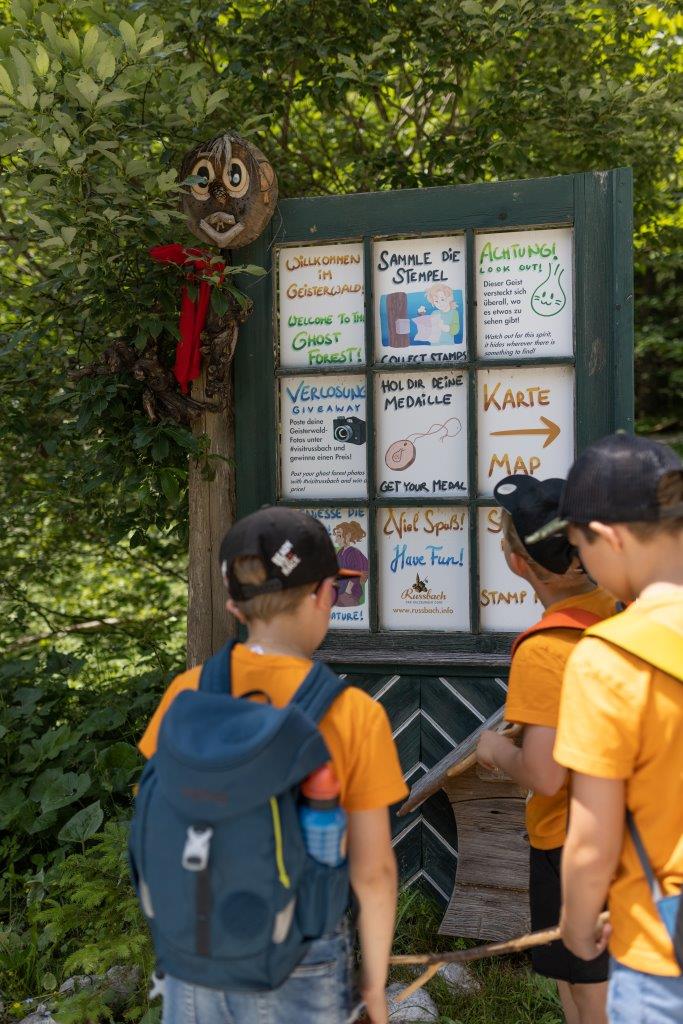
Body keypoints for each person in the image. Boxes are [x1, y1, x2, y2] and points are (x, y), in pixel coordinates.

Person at [138, 507, 408, 1024]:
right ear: (322, 596)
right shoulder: (354, 715)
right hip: (299, 957)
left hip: (195, 952)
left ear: (237, 609)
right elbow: (373, 873)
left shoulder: (185, 694)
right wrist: (374, 985)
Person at [524, 434, 683, 1023]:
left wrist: (579, 921)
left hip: (658, 935)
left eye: (580, 546)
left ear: (609, 537)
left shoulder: (609, 657)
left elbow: (591, 838)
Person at [476, 475, 617, 1024]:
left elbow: (545, 774)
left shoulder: (545, 650)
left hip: (570, 842)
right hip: (636, 828)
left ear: (517, 563)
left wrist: (493, 751)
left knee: (585, 987)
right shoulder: (622, 611)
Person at [332, 520, 369, 607]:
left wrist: (347, 592)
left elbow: (355, 574)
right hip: (339, 592)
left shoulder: (353, 553)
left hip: (349, 594)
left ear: (348, 536)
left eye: (339, 536)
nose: (336, 540)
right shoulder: (340, 552)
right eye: (336, 536)